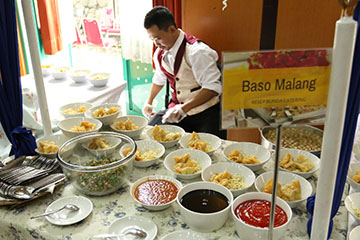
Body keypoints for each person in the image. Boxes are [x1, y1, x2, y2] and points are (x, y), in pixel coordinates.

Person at [142, 6, 226, 139]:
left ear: (172, 29)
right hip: (177, 110)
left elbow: (213, 88)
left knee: (203, 151)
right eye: (152, 39)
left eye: (158, 38)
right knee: (149, 135)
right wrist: (149, 102)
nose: (156, 44)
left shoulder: (197, 52)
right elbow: (159, 78)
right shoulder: (160, 53)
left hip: (206, 113)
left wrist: (183, 109)